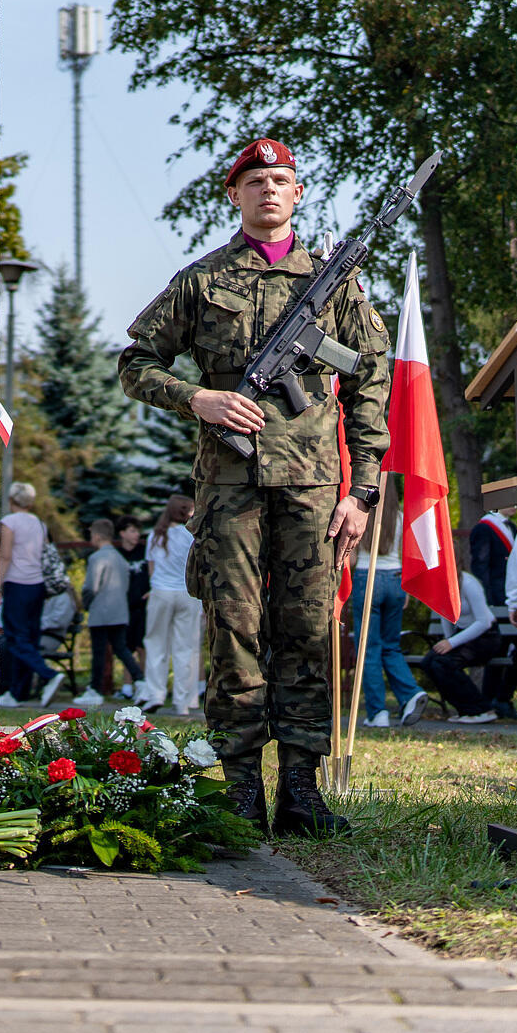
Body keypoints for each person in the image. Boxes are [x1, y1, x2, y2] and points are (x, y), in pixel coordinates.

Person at [120, 136, 391, 836]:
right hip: (229, 485)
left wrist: (362, 490)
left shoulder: (332, 282)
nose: (268, 189)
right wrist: (198, 398)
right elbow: (136, 363)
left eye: (280, 179)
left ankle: (301, 787)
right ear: (234, 194)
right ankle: (241, 786)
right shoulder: (201, 280)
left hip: (315, 488)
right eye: (254, 180)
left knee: (307, 629)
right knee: (233, 630)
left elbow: (370, 380)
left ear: (297, 193)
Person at [351, 476, 426, 729]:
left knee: (368, 647)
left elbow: (352, 560)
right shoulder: (401, 517)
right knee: (391, 646)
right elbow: (407, 555)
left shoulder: (361, 515)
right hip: (395, 579)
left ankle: (377, 712)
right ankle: (411, 693)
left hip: (367, 578)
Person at [0, 481, 65, 708]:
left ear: (11, 500)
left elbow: (5, 556)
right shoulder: (39, 524)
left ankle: (49, 675)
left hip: (17, 584)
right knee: (29, 639)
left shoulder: (9, 523)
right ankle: (17, 693)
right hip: (38, 587)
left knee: (15, 638)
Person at [134, 496, 201, 716]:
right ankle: (183, 701)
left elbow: (152, 570)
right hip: (186, 593)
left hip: (161, 593)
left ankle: (155, 694)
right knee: (186, 648)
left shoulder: (156, 535)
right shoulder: (191, 536)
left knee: (155, 644)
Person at [415, 569, 502, 723]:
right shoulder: (440, 583)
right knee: (429, 663)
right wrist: (449, 639)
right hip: (462, 635)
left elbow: (484, 622)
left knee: (444, 663)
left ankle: (482, 710)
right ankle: (465, 710)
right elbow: (445, 613)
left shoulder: (468, 583)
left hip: (486, 637)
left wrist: (451, 643)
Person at [77, 519, 140, 707]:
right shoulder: (120, 558)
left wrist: (85, 604)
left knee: (99, 651)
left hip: (100, 612)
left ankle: (95, 689)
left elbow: (91, 587)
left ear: (96, 536)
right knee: (121, 648)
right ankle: (140, 679)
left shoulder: (96, 558)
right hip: (119, 610)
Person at [114, 516, 150, 698]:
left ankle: (143, 685)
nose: (136, 535)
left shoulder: (144, 552)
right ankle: (127, 687)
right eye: (132, 531)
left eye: (138, 531)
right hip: (124, 607)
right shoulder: (117, 555)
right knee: (126, 648)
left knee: (143, 646)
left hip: (143, 606)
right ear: (122, 533)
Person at [468, 505, 517, 606]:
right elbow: (480, 566)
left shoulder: (511, 526)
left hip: (511, 588)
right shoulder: (484, 528)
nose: (514, 506)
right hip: (496, 593)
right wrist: (488, 598)